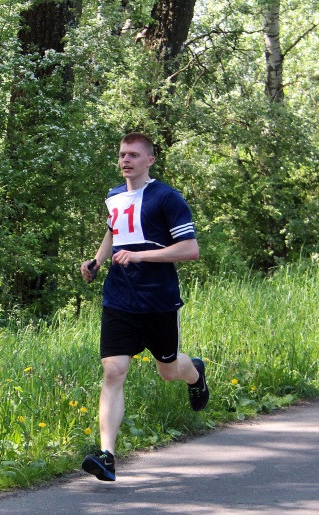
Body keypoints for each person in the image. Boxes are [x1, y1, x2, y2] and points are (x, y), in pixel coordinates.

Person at [78, 132, 209, 482]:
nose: (126, 161)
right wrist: (96, 260)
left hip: (158, 300)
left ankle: (194, 372)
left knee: (168, 371)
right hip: (119, 298)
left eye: (134, 155)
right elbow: (113, 231)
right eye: (122, 154)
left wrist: (139, 256)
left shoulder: (167, 198)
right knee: (113, 371)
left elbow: (190, 250)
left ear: (149, 160)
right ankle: (107, 456)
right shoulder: (114, 196)